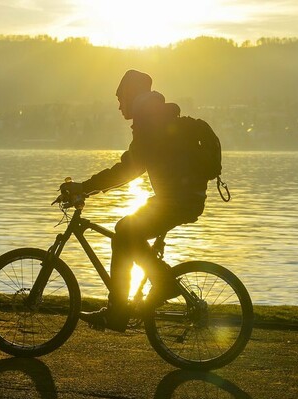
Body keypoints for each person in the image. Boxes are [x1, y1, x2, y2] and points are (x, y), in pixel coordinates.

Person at [60, 70, 209, 332]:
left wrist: (84, 187)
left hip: (177, 200)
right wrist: (90, 188)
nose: (119, 105)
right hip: (179, 197)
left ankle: (139, 298)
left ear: (131, 96)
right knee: (126, 234)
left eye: (120, 98)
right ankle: (127, 305)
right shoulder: (155, 118)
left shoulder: (150, 122)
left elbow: (128, 169)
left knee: (124, 231)